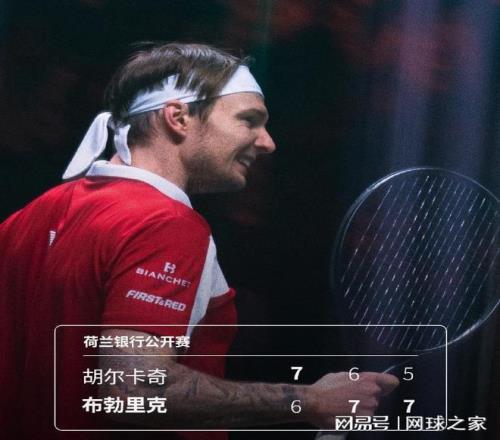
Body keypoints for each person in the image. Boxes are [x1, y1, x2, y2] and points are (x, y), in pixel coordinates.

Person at [0, 42, 398, 439]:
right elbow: (132, 389)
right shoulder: (164, 223)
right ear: (178, 117)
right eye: (248, 120)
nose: (267, 142)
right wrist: (309, 400)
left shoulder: (31, 216)